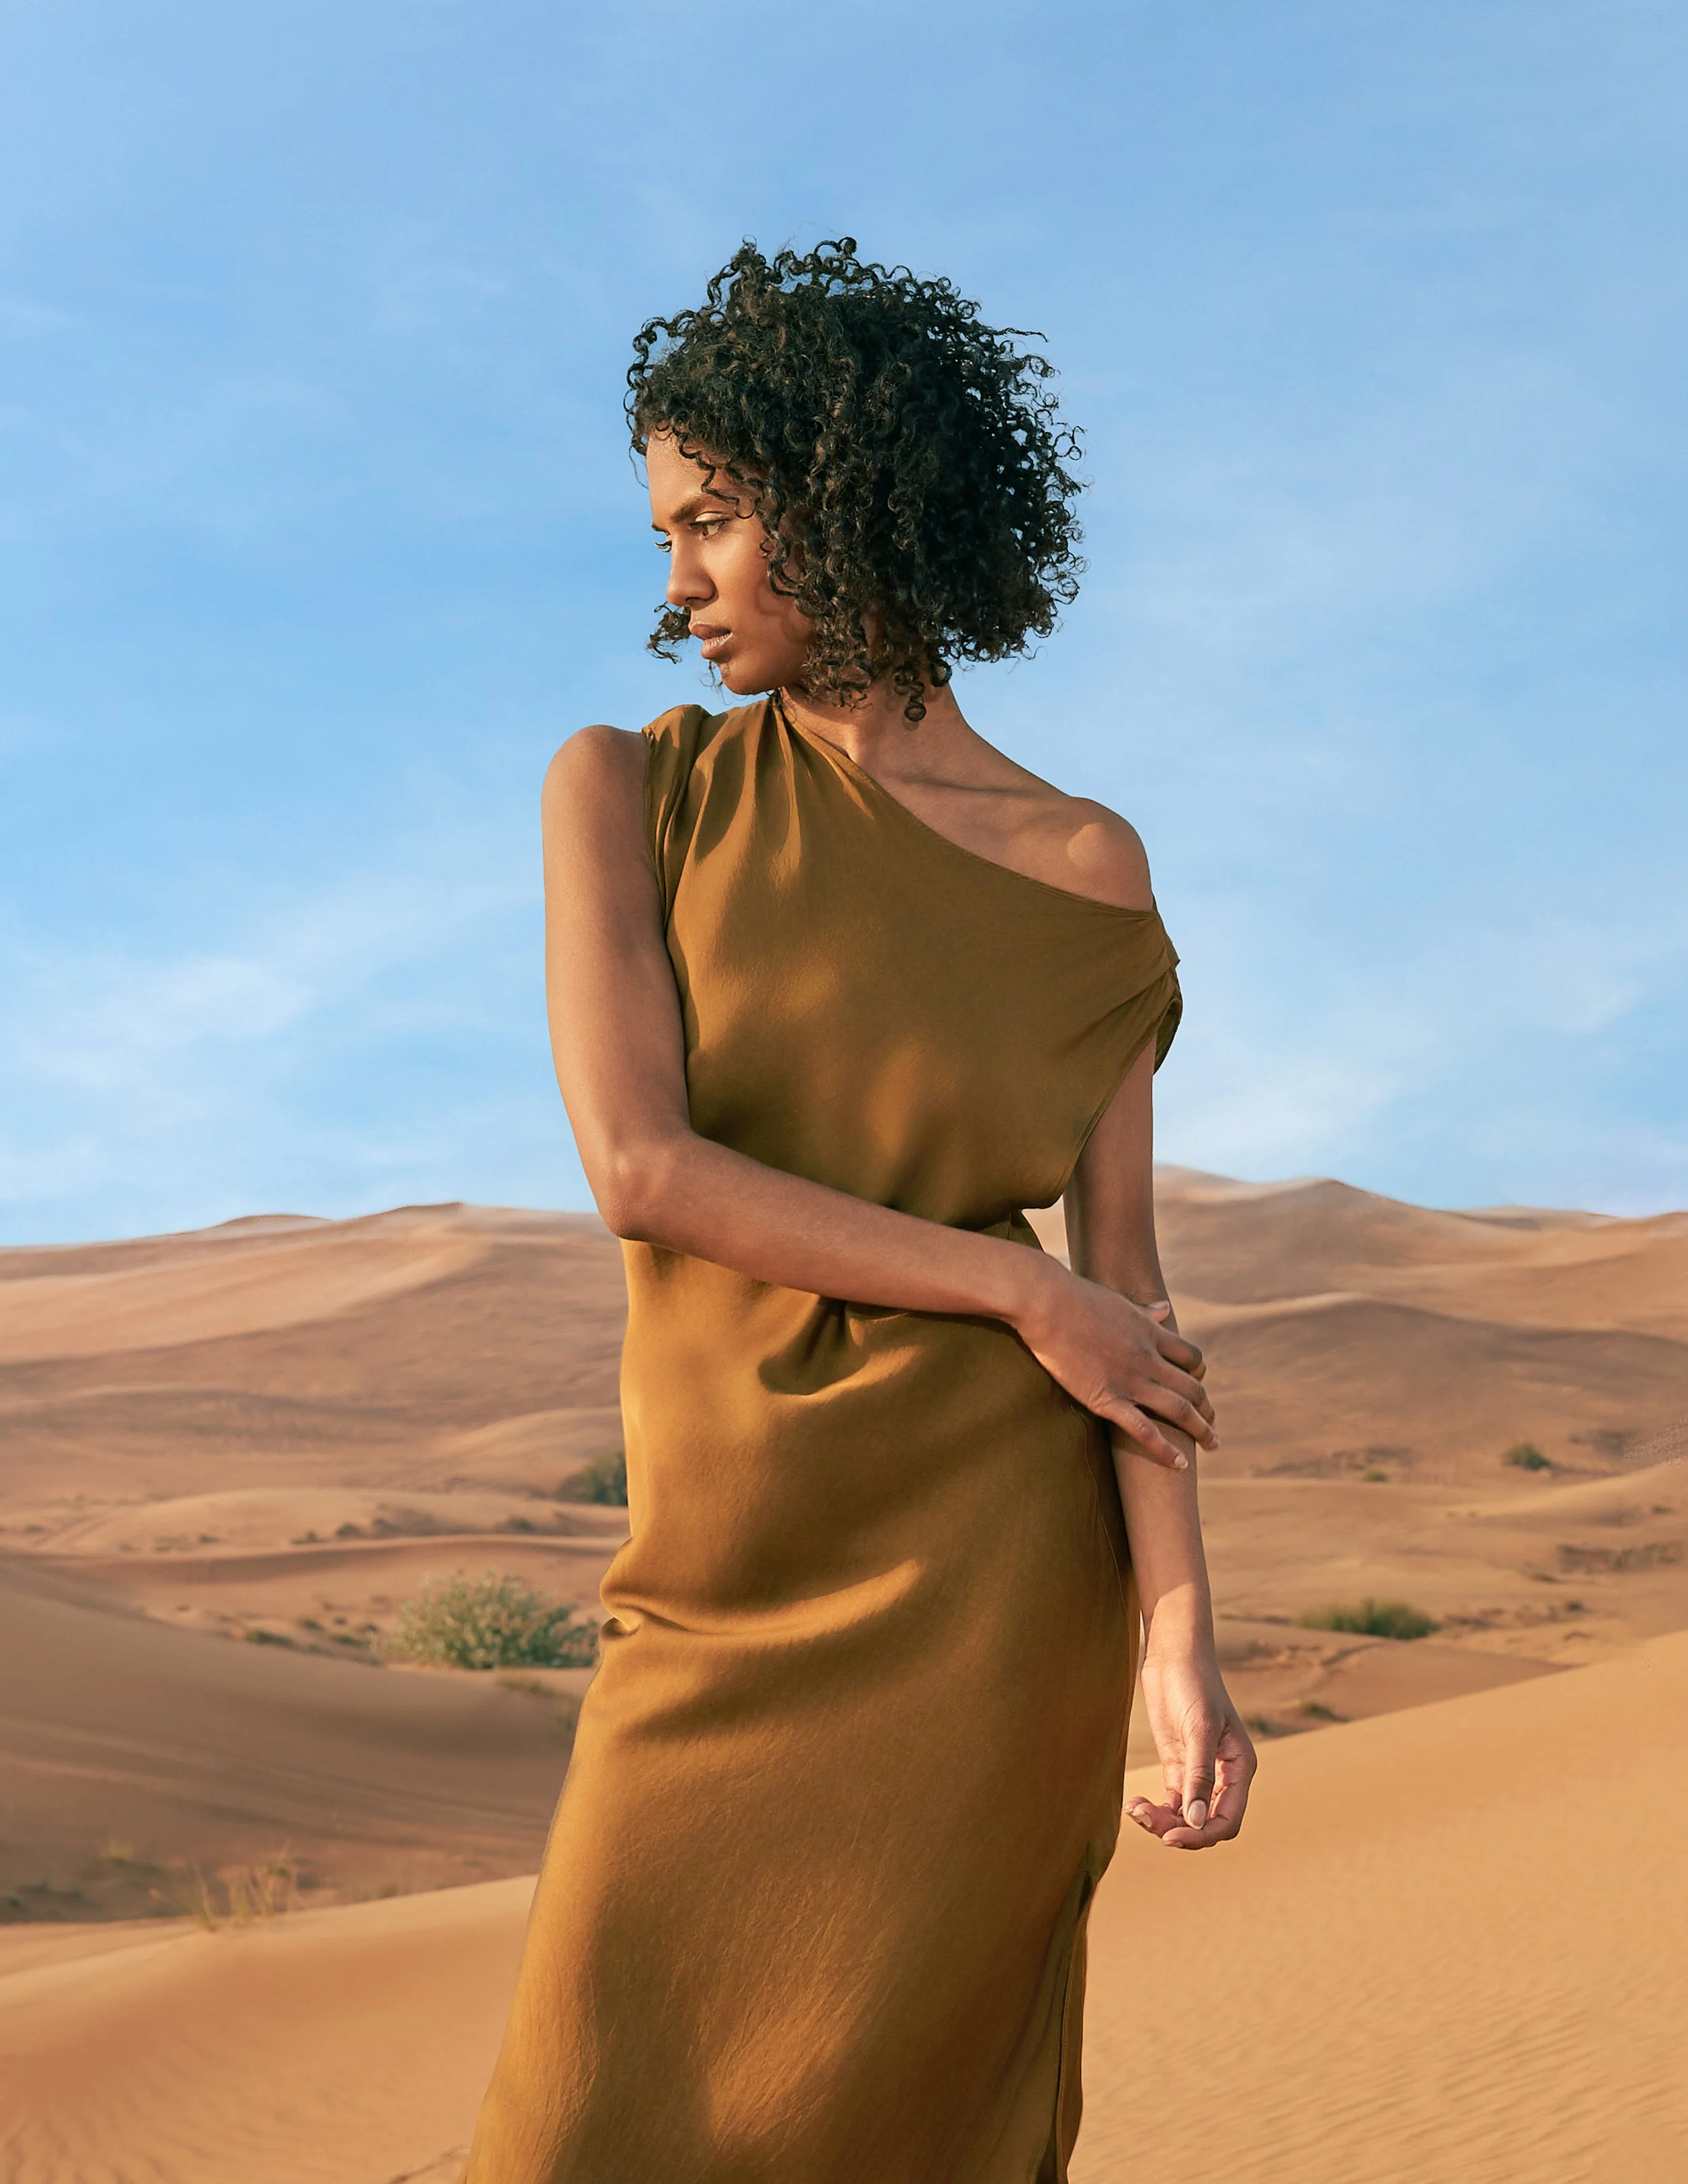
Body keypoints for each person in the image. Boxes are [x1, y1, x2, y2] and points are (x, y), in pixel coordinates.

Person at [465, 238, 1255, 2184]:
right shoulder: (627, 791)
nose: (676, 586)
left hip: (994, 1608)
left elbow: (1129, 1299)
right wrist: (1011, 1284)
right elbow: (642, 1171)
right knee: (576, 2125)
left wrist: (1175, 1647)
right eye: (667, 532)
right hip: (715, 1583)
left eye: (715, 520)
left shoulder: (1086, 868)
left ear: (853, 491)